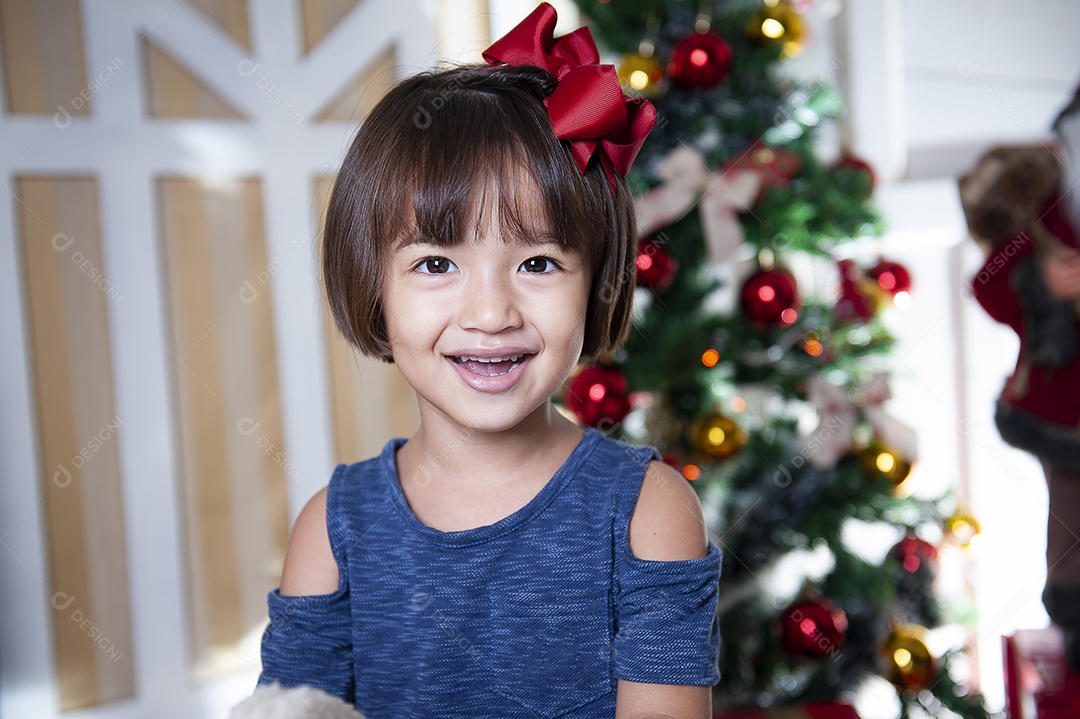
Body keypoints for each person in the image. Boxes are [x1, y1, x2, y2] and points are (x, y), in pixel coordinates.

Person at [256, 5, 722, 718]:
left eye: (537, 261)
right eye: (437, 262)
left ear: (597, 278)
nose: (491, 313)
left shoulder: (647, 512)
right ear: (373, 284)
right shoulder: (332, 530)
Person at [960, 99, 1080, 717]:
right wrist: (1040, 280)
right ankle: (1074, 627)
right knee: (1068, 522)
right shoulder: (1035, 217)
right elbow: (987, 284)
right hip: (1063, 409)